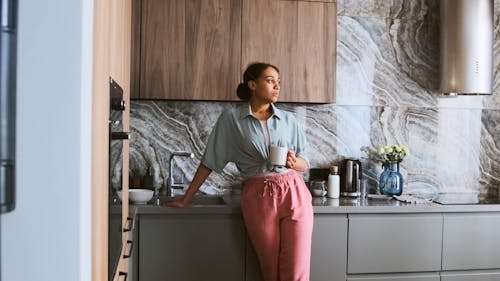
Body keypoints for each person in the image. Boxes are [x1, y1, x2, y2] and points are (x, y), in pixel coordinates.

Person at [168, 62, 313, 281]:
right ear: (252, 84)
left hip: (293, 191)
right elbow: (210, 161)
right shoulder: (231, 120)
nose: (277, 86)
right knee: (270, 270)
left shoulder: (288, 120)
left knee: (297, 271)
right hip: (259, 197)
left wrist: (294, 163)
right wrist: (186, 198)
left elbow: (305, 160)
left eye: (278, 82)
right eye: (270, 80)